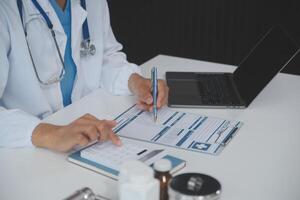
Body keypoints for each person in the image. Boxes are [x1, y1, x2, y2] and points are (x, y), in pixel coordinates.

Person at [0, 0, 168, 152]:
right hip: (23, 149)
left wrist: (135, 82)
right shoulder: (6, 9)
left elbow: (104, 56)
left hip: (87, 138)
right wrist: (52, 134)